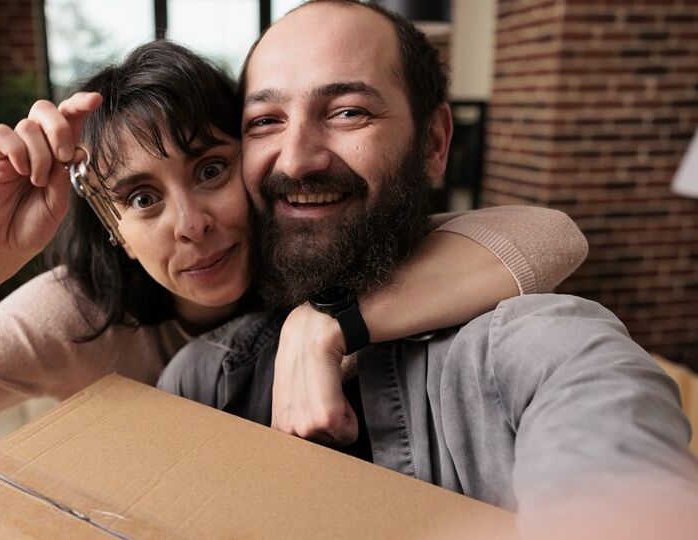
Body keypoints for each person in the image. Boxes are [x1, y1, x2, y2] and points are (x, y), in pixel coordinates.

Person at [0, 41, 586, 473]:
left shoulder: (306, 239)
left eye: (210, 170)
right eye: (142, 198)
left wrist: (323, 322)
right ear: (109, 222)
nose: (192, 224)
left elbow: (551, 236)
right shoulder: (79, 315)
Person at [157, 0, 698, 517]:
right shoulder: (203, 376)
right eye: (265, 121)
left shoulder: (534, 353)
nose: (297, 160)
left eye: (348, 112)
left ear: (434, 143)